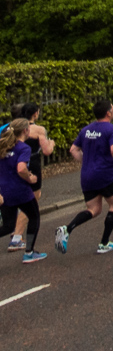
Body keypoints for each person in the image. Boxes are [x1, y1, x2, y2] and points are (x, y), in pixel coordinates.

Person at [54, 100, 113, 256]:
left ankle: (67, 229)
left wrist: (88, 162)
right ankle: (104, 243)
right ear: (108, 113)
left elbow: (73, 149)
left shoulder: (86, 130)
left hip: (87, 175)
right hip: (106, 174)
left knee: (94, 209)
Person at [8, 104, 54, 252]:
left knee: (17, 195)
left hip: (12, 163)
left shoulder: (10, 127)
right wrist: (51, 143)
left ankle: (13, 229)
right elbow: (46, 151)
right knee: (32, 199)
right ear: (35, 114)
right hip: (31, 164)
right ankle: (16, 237)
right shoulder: (39, 130)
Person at [0, 119, 46, 263]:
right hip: (21, 191)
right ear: (26, 131)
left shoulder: (3, 146)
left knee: (8, 226)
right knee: (34, 217)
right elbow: (21, 168)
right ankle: (29, 253)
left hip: (5, 191)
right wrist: (30, 178)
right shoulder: (23, 148)